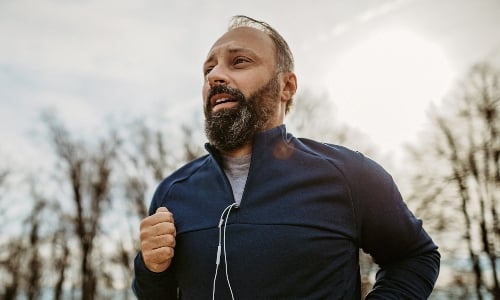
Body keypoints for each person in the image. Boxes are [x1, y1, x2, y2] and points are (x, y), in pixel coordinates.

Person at [132, 15, 440, 299]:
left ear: (286, 86)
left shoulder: (349, 175)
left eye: (239, 61)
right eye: (208, 69)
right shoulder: (172, 194)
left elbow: (414, 256)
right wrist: (151, 269)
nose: (215, 75)